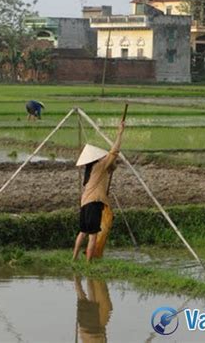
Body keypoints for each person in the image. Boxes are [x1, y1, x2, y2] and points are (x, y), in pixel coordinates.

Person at [72, 120, 125, 262]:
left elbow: (112, 165)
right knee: (93, 235)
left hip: (85, 202)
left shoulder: (90, 170)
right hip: (94, 202)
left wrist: (112, 164)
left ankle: (74, 258)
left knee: (83, 232)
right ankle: (89, 264)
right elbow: (114, 152)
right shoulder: (100, 166)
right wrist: (120, 133)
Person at [74, 277, 112, 343]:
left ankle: (89, 276)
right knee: (81, 297)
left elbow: (103, 337)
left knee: (91, 300)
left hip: (94, 328)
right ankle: (76, 274)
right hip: (84, 329)